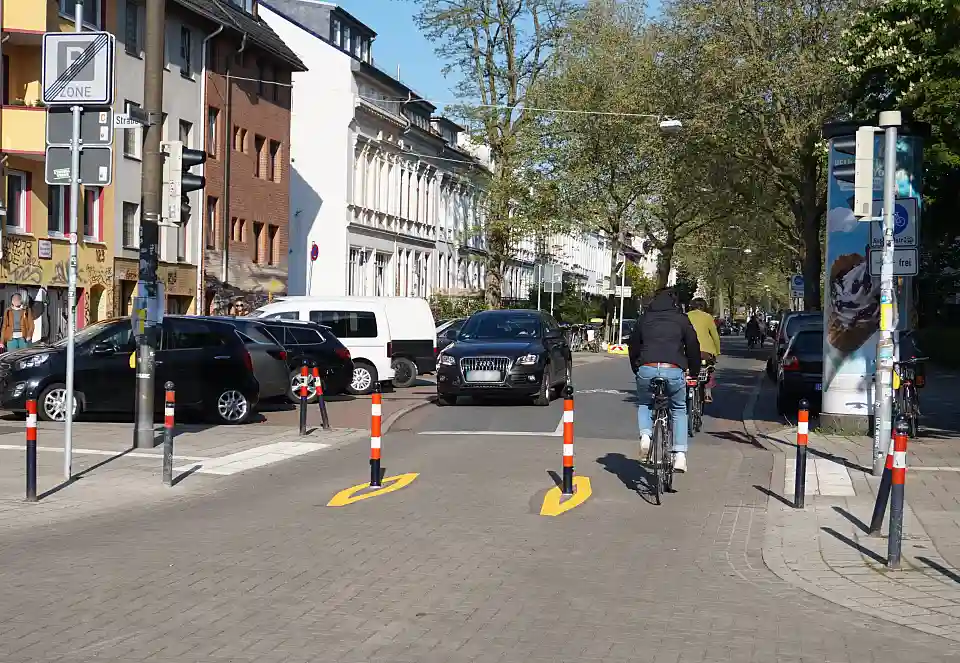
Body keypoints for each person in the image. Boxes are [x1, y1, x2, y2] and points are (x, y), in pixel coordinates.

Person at [627, 287, 701, 473]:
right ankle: (680, 456)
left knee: (645, 403)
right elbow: (692, 346)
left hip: (647, 368)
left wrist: (637, 367)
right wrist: (694, 371)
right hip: (673, 369)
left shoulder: (644, 318)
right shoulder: (681, 319)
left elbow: (633, 345)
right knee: (678, 409)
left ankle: (645, 436)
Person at [687, 298, 721, 402]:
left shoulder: (685, 316)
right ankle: (707, 393)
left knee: (687, 369)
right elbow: (715, 336)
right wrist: (717, 351)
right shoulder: (708, 317)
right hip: (706, 352)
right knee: (709, 370)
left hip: (688, 350)